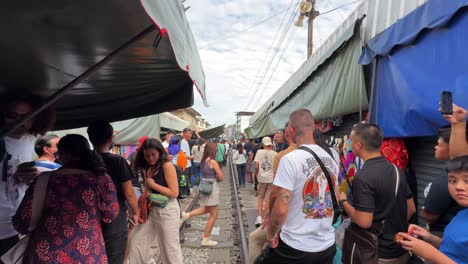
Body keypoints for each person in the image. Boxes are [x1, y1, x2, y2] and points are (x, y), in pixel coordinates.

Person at [12, 134, 119, 263]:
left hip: (47, 254)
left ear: (62, 154)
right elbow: (110, 215)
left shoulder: (45, 179)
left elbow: (23, 220)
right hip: (89, 253)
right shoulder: (102, 179)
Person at [258, 109, 338, 263]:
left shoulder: (290, 160)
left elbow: (281, 210)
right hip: (327, 246)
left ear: (291, 130)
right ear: (314, 127)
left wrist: (271, 234)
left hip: (296, 248)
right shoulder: (331, 157)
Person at [337, 124, 416, 263]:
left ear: (358, 145)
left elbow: (364, 221)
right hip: (400, 249)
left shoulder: (363, 177)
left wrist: (343, 201)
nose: (348, 145)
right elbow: (411, 209)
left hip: (377, 253)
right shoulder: (397, 171)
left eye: (351, 141)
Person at [0, 94, 55, 256]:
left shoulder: (29, 139)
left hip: (15, 224)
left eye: (27, 116)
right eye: (12, 115)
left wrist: (32, 176)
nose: (19, 121)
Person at [396, 155, 468, 264]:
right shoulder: (461, 214)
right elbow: (455, 250)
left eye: (466, 180)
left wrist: (431, 254)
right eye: (452, 181)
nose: (458, 186)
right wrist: (429, 237)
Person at [87, 120, 139, 264]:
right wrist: (135, 212)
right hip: (114, 219)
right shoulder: (118, 161)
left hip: (89, 218)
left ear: (90, 138)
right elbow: (129, 193)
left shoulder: (84, 160)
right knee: (114, 256)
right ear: (111, 139)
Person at [127, 138, 183, 264]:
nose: (151, 158)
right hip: (151, 209)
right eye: (147, 156)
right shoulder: (148, 167)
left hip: (167, 210)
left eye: (153, 154)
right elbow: (147, 189)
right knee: (137, 243)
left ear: (159, 152)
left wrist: (152, 184)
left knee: (170, 250)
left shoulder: (167, 165)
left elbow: (174, 193)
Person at [248, 122, 297, 263]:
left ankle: (259, 216)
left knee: (254, 238)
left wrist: (270, 218)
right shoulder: (277, 153)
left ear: (287, 135)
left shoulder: (281, 155)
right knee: (268, 196)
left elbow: (278, 195)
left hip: (264, 180)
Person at [181, 142, 225, 246]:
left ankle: (187, 215)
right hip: (211, 187)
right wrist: (218, 176)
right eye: (216, 150)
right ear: (213, 151)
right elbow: (221, 177)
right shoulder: (213, 162)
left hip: (204, 185)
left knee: (208, 209)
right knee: (214, 214)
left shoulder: (203, 160)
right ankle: (206, 239)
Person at [421, 127, 464, 234]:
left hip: (443, 233)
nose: (435, 147)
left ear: (451, 147)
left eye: (439, 144)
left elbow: (429, 215)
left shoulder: (445, 180)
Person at [253, 137, 277, 227]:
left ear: (263, 144)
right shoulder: (275, 153)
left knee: (260, 197)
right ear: (270, 144)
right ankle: (265, 218)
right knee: (267, 199)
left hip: (261, 178)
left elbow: (256, 165)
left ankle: (259, 217)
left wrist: (256, 173)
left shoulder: (259, 152)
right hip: (271, 179)